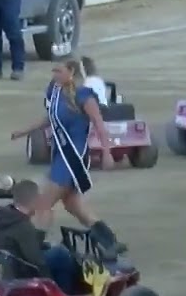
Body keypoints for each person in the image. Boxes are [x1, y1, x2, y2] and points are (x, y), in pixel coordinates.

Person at [9, 59, 125, 256]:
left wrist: (107, 153)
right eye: (53, 71)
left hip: (73, 157)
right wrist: (23, 131)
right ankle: (110, 242)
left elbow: (99, 125)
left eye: (58, 71)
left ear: (71, 72)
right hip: (60, 155)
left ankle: (35, 248)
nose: (54, 74)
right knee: (73, 205)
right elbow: (50, 119)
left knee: (44, 203)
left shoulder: (85, 95)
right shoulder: (56, 94)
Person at [0, 179, 48, 279]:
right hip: (22, 270)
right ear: (34, 201)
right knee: (61, 255)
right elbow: (36, 261)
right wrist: (49, 280)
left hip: (9, 263)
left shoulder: (5, 216)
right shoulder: (23, 226)